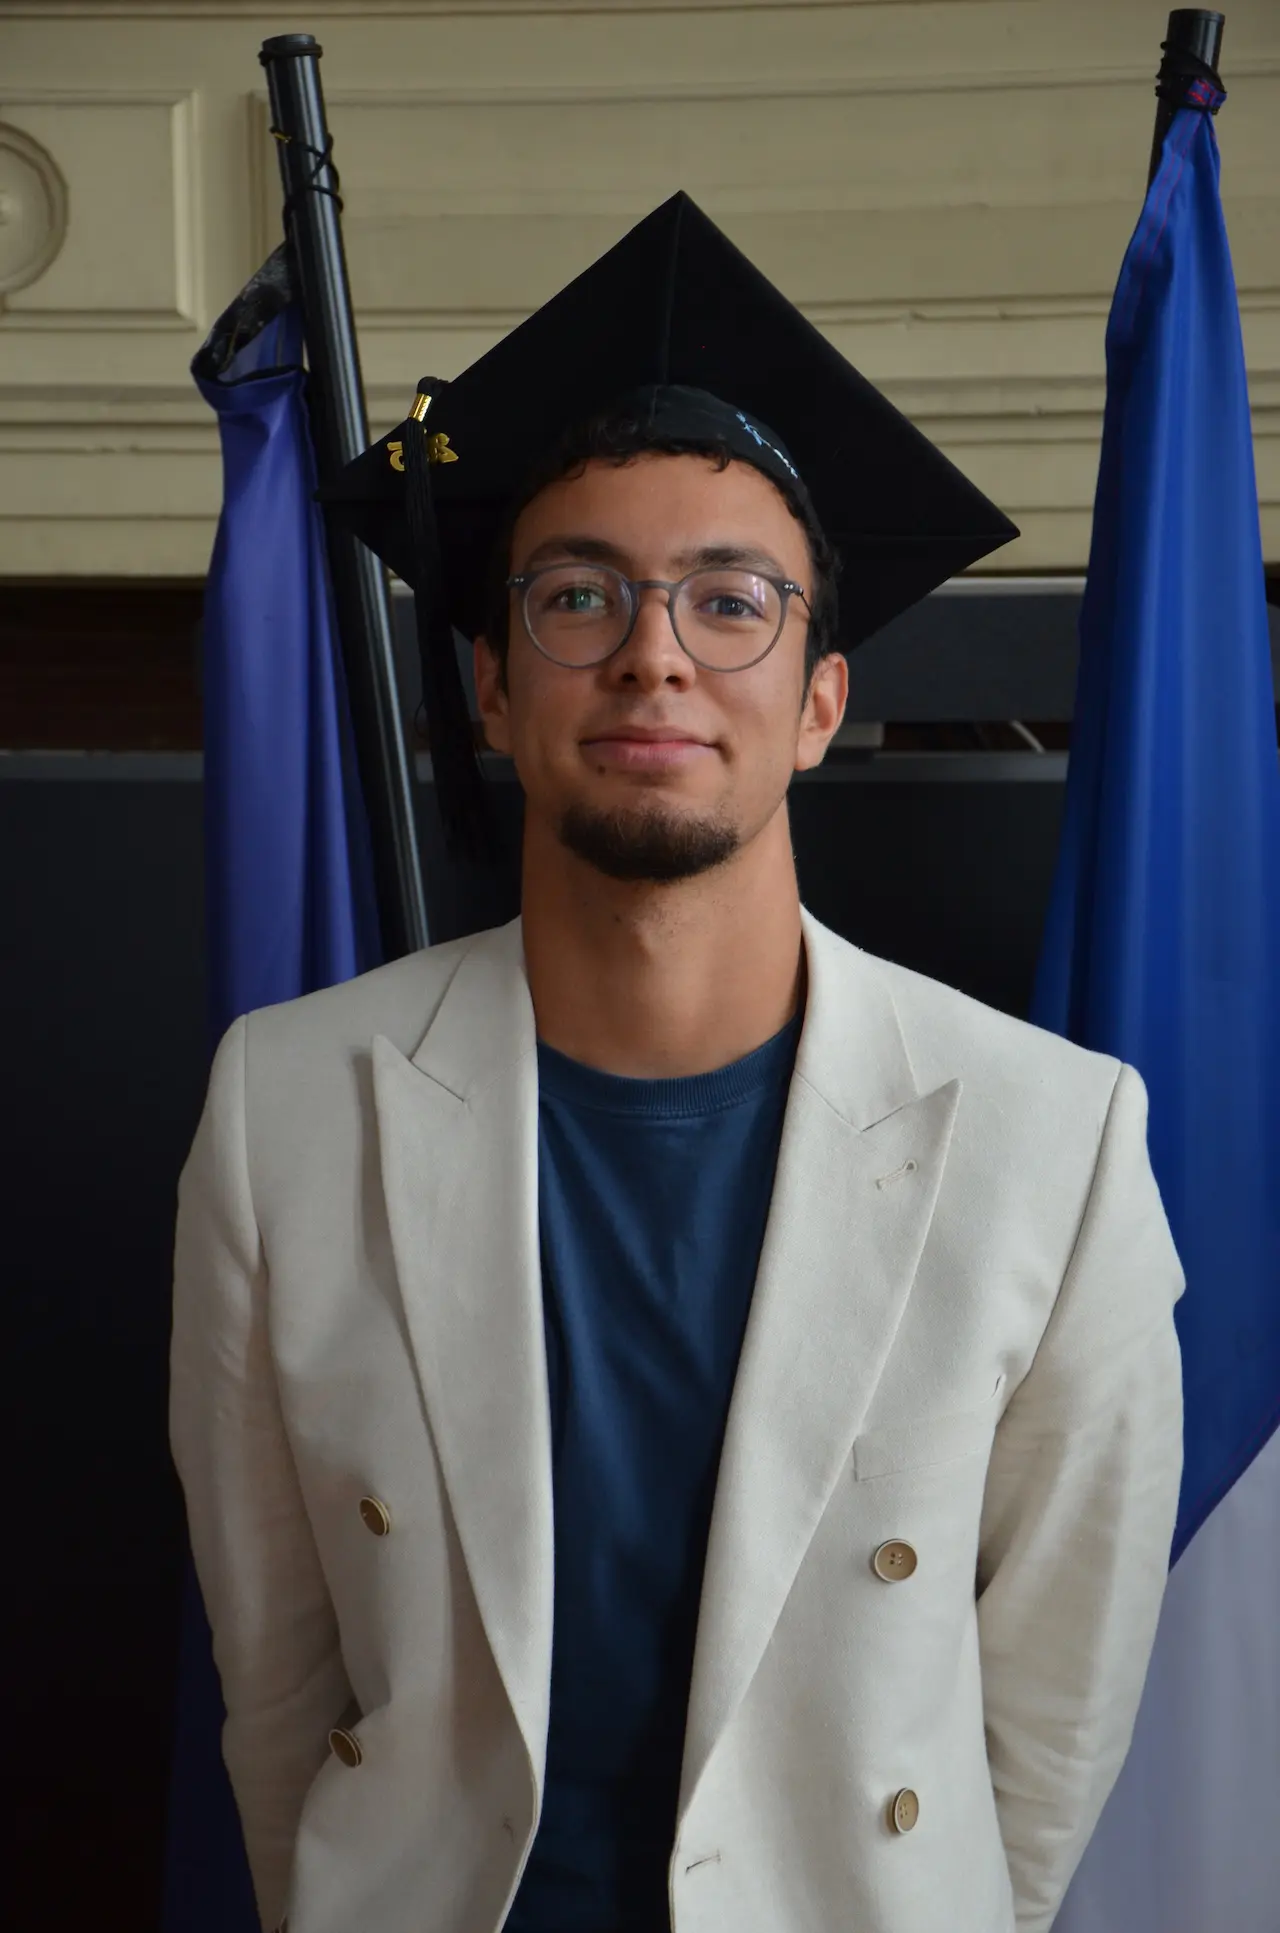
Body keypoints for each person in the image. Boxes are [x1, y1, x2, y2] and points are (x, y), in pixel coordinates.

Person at [170, 193, 1184, 1933]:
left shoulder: (1050, 1137)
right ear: (495, 689)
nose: (653, 651)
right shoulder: (287, 1113)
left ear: (819, 701)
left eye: (731, 601)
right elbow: (277, 1693)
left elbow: (1051, 1722)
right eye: (581, 596)